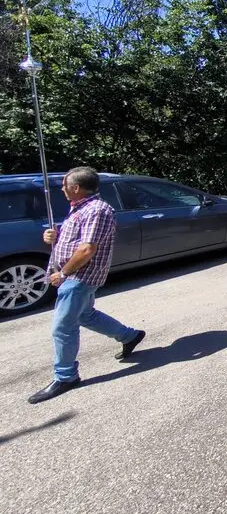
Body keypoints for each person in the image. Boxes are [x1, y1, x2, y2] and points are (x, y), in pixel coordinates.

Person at [28, 167, 146, 404]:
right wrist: (54, 236)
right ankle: (129, 336)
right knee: (86, 315)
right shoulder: (79, 208)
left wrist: (63, 273)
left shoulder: (97, 210)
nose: (61, 190)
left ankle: (66, 376)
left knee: (63, 326)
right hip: (73, 275)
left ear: (76, 188)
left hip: (80, 277)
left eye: (64, 186)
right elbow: (76, 240)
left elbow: (87, 249)